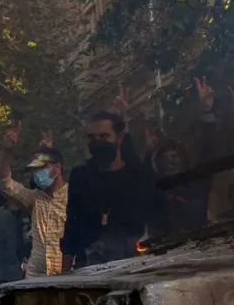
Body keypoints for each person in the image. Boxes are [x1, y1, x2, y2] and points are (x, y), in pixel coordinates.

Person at [62, 111, 162, 269]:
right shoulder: (81, 177)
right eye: (92, 137)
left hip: (133, 261)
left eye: (104, 136)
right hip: (89, 263)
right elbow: (72, 222)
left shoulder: (138, 177)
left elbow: (155, 219)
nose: (97, 142)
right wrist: (66, 268)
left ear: (119, 138)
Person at [0, 127, 69, 278]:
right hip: (36, 276)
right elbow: (4, 183)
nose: (37, 174)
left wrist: (50, 150)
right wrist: (7, 151)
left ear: (58, 167)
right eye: (35, 170)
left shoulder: (74, 195)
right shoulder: (34, 198)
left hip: (69, 273)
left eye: (41, 167)